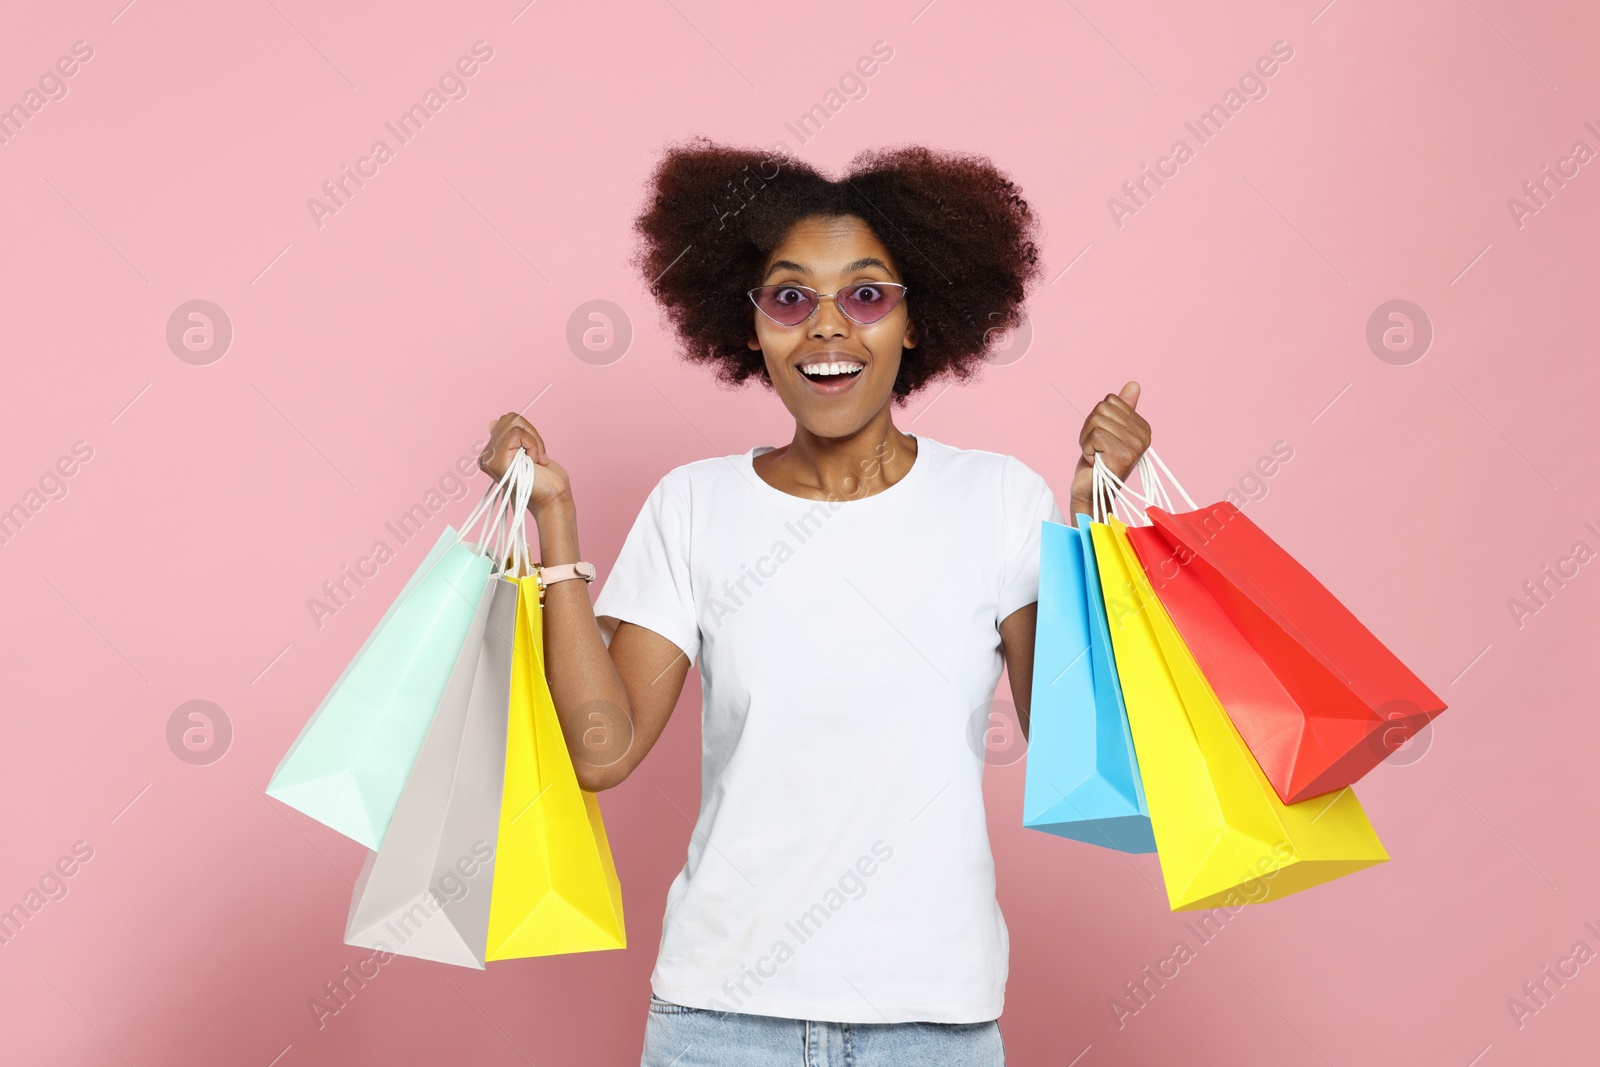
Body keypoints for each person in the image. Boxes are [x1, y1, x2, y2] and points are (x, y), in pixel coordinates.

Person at [478, 138, 1151, 1067]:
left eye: (867, 295)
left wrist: (1095, 529)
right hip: (719, 1020)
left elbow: (1071, 740)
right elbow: (602, 752)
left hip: (934, 1022)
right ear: (750, 324)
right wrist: (554, 526)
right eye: (791, 297)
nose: (827, 327)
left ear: (917, 321)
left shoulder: (997, 500)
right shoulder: (694, 503)